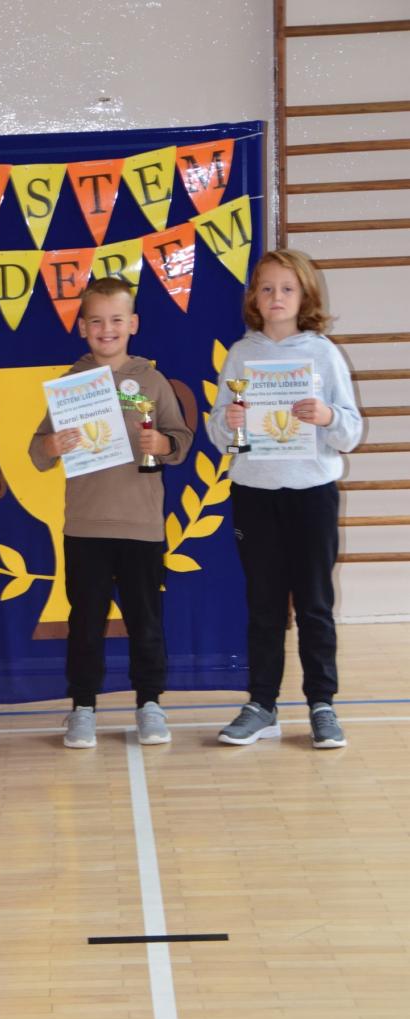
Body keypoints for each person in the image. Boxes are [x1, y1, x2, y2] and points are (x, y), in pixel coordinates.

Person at [207, 249, 362, 748]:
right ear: (254, 297)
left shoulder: (323, 353)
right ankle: (262, 704)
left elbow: (351, 432)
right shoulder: (240, 354)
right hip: (254, 494)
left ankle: (322, 704)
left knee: (315, 604)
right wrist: (229, 423)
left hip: (312, 494)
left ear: (305, 296)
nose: (276, 297)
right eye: (267, 288)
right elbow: (220, 433)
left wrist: (327, 417)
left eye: (287, 288)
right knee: (264, 605)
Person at [29, 277, 193, 748]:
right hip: (86, 526)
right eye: (96, 321)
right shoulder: (69, 385)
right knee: (85, 623)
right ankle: (82, 707)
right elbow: (37, 452)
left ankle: (150, 704)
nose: (107, 329)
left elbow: (180, 440)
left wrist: (162, 443)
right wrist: (52, 444)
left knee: (146, 621)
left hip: (141, 526)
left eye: (116, 320)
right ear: (82, 327)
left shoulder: (151, 381)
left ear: (133, 324)